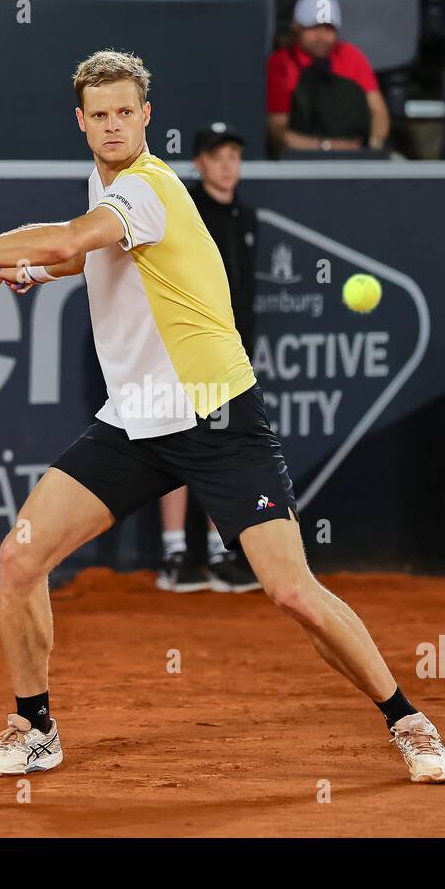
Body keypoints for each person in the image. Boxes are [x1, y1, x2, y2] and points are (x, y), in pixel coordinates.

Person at [0, 49, 445, 784]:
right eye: (100, 115)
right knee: (20, 556)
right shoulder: (105, 182)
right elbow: (84, 256)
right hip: (136, 418)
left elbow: (68, 238)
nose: (114, 125)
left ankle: (407, 720)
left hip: (215, 416)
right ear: (82, 122)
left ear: (147, 116)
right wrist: (29, 269)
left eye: (127, 112)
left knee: (291, 592)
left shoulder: (148, 188)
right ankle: (34, 727)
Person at [157, 122, 261, 595]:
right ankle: (176, 555)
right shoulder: (185, 211)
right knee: (178, 445)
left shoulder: (245, 216)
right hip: (178, 351)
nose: (226, 165)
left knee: (220, 448)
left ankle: (222, 553)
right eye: (216, 156)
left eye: (233, 155)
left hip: (224, 356)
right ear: (198, 163)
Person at [266, 0, 392, 156]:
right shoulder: (281, 63)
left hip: (356, 155)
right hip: (302, 158)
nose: (322, 37)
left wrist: (373, 148)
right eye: (314, 28)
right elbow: (277, 131)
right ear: (296, 27)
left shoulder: (350, 55)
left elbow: (378, 111)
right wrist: (327, 147)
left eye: (329, 28)